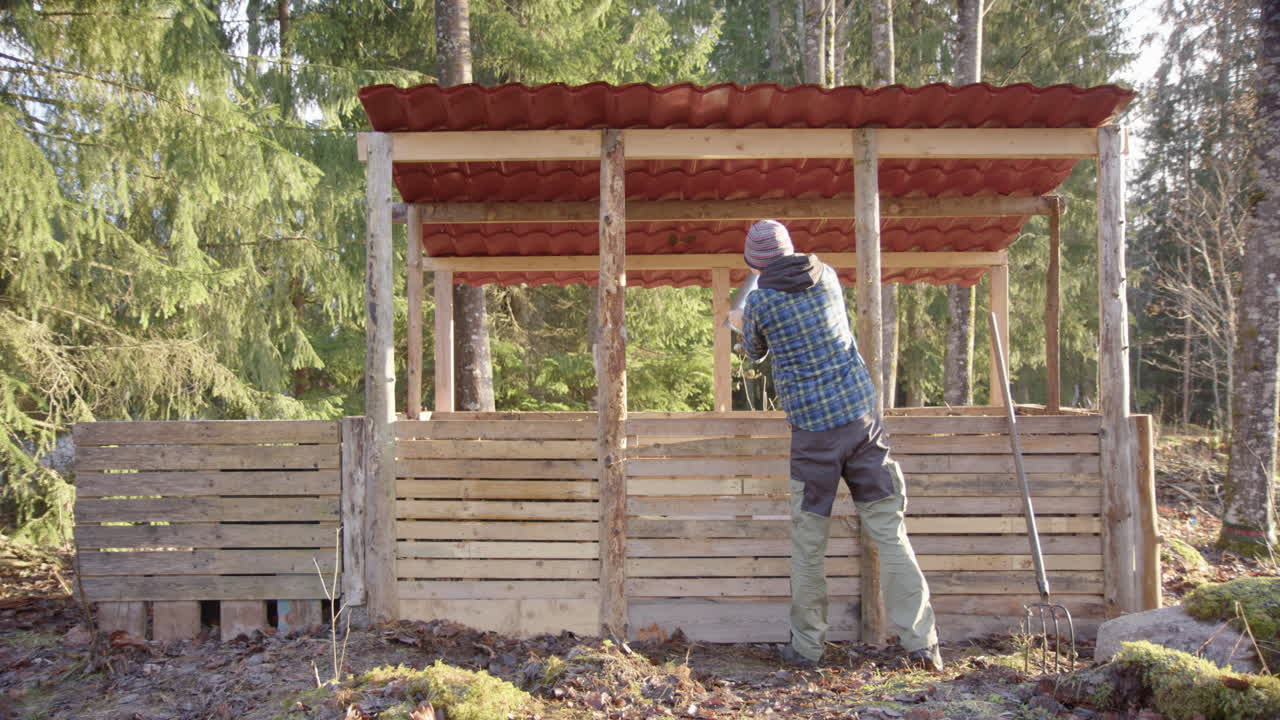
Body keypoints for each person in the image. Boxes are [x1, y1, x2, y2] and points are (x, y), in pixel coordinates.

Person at [727, 219, 943, 671]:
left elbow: (752, 351)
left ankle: (807, 649)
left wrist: (738, 320)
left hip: (814, 436)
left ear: (755, 263)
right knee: (890, 531)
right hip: (863, 421)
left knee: (809, 544)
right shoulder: (827, 276)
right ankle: (922, 645)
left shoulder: (762, 303)